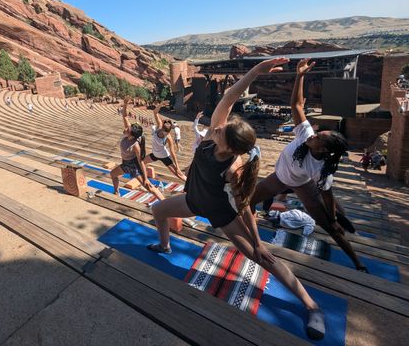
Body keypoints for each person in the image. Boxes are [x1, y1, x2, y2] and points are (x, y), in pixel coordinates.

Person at [148, 58, 325, 340]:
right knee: (158, 210)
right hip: (193, 201)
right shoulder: (211, 139)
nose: (214, 127)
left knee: (261, 257)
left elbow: (244, 208)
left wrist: (257, 243)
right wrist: (255, 72)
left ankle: (312, 306)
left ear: (229, 145)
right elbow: (229, 99)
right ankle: (165, 245)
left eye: (220, 129)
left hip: (222, 213)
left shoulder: (234, 168)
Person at [250, 58, 367, 273]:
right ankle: (253, 235)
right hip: (279, 179)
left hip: (303, 185)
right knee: (248, 202)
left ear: (322, 150)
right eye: (316, 134)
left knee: (332, 227)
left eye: (317, 138)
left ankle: (358, 263)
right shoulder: (306, 133)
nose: (312, 136)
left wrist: (332, 218)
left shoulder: (320, 170)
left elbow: (327, 197)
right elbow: (296, 105)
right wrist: (300, 75)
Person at [110, 98, 164, 202]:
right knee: (113, 174)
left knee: (148, 187)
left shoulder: (135, 145)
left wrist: (146, 178)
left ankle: (165, 202)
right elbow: (125, 116)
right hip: (125, 164)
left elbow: (141, 162)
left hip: (134, 166)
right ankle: (116, 192)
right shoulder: (128, 134)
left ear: (132, 135)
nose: (125, 129)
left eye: (128, 130)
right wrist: (125, 104)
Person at [144, 104, 187, 181]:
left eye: (168, 132)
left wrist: (177, 167)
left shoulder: (168, 137)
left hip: (164, 156)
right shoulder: (159, 127)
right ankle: (144, 177)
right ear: (162, 129)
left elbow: (172, 153)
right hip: (154, 154)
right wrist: (160, 105)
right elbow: (155, 112)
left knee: (179, 174)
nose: (167, 134)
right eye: (165, 132)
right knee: (141, 162)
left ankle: (190, 184)